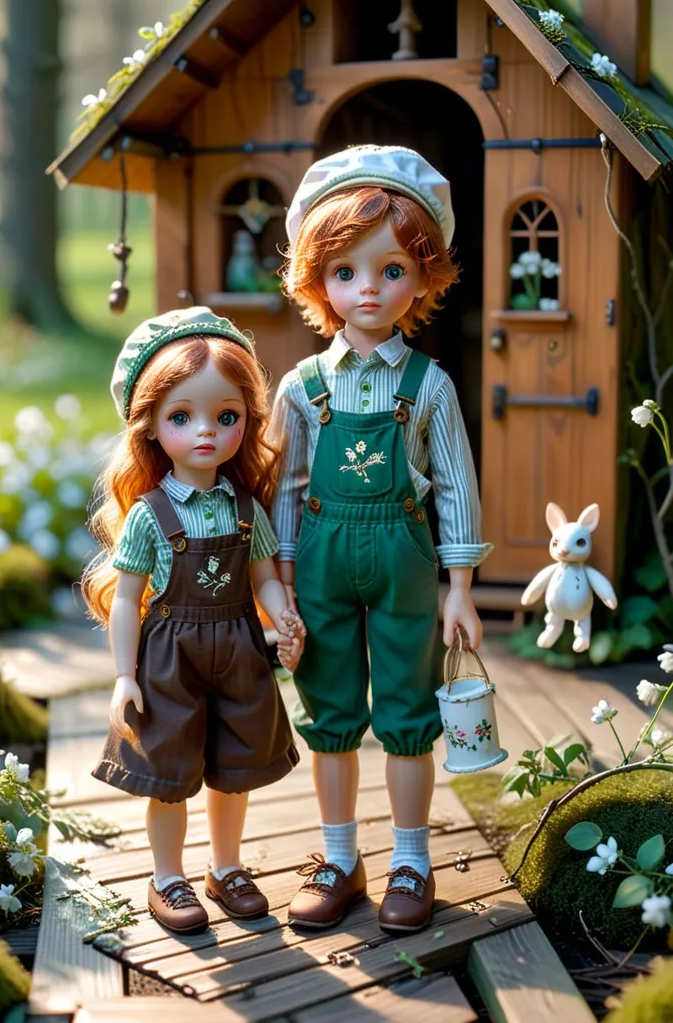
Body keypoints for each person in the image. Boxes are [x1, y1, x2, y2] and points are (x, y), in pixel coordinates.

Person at [270, 145, 492, 934]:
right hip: (321, 560)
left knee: (406, 711)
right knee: (329, 712)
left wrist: (461, 587)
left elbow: (458, 485)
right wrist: (282, 583)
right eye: (346, 271)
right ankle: (338, 855)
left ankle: (411, 859)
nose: (369, 288)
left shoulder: (429, 385)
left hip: (403, 556)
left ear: (424, 277)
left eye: (393, 269)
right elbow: (285, 492)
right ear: (316, 279)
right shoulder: (300, 388)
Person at [82, 307, 304, 935]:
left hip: (239, 648)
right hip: (169, 656)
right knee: (169, 776)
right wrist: (124, 676)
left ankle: (225, 868)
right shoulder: (151, 514)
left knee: (235, 769)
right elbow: (128, 598)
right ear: (150, 425)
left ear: (245, 420)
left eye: (225, 416)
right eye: (182, 417)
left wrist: (283, 617)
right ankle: (167, 877)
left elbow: (263, 575)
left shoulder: (243, 506)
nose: (206, 432)